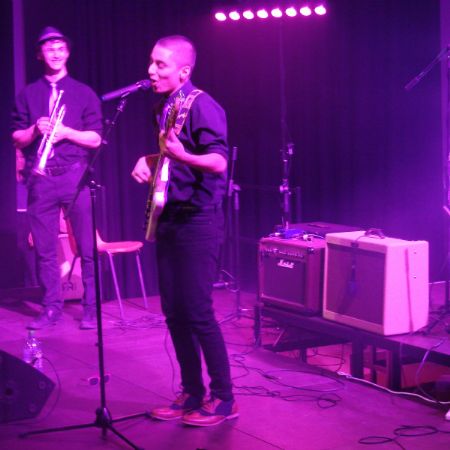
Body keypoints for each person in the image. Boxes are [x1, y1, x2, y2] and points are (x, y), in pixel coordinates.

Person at [131, 35, 238, 427]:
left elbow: (218, 161)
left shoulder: (203, 105)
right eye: (151, 62)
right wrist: (148, 160)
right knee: (174, 312)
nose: (151, 70)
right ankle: (192, 392)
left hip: (198, 220)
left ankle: (224, 398)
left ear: (183, 71)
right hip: (171, 218)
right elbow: (171, 158)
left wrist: (183, 156)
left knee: (197, 310)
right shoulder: (164, 106)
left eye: (160, 64)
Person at [12, 26, 103, 330]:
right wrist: (33, 130)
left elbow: (95, 138)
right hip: (41, 179)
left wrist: (66, 133)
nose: (55, 53)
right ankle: (51, 308)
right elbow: (16, 137)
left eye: (60, 48)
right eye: (49, 48)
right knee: (45, 249)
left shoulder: (83, 93)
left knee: (87, 248)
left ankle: (90, 309)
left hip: (74, 176)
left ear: (68, 53)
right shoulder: (28, 94)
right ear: (40, 54)